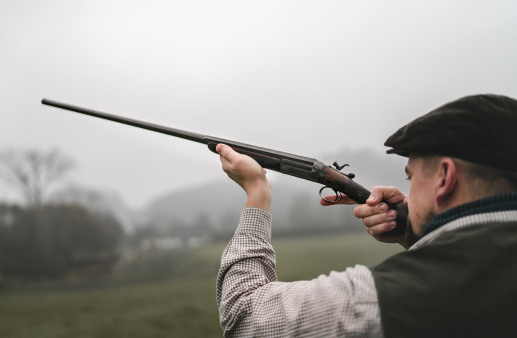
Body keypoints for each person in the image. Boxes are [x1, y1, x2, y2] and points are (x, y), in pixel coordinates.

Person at [215, 94, 517, 338]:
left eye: (410, 178)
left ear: (444, 178)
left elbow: (243, 315)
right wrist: (409, 232)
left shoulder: (389, 294)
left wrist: (257, 191)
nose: (407, 192)